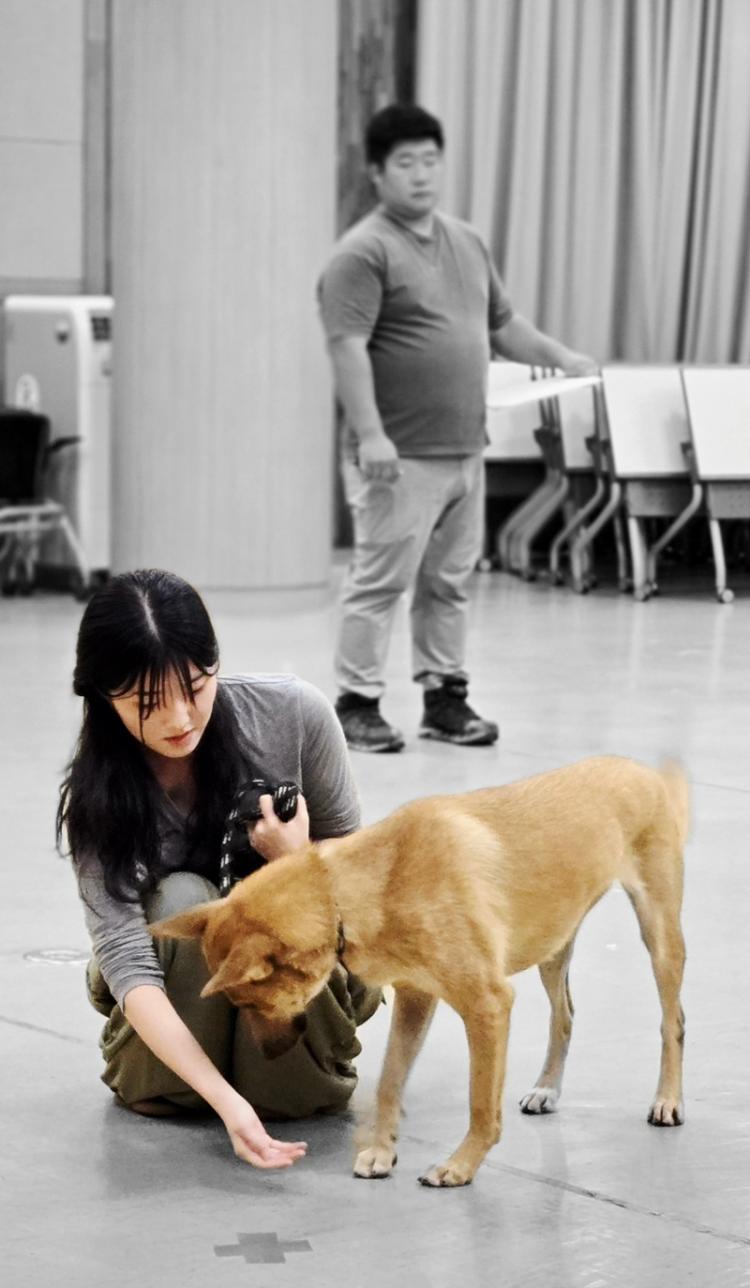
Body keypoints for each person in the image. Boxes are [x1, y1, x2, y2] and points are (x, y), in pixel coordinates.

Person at [56, 569, 380, 1171]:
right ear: (102, 695)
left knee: (288, 1096)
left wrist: (295, 864)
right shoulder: (100, 797)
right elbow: (126, 960)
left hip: (292, 987)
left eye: (197, 687)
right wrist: (226, 1103)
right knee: (183, 901)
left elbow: (364, 897)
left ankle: (267, 1074)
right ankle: (199, 1078)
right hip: (171, 1031)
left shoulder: (295, 715)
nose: (180, 717)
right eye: (148, 702)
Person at [318, 104, 598, 753]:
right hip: (397, 454)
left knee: (448, 582)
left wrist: (561, 356)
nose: (422, 174)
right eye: (406, 163)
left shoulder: (467, 242)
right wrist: (371, 435)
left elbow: (503, 326)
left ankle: (444, 699)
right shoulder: (362, 253)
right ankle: (356, 703)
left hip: (466, 449)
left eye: (430, 160)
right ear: (377, 174)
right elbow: (346, 348)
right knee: (380, 580)